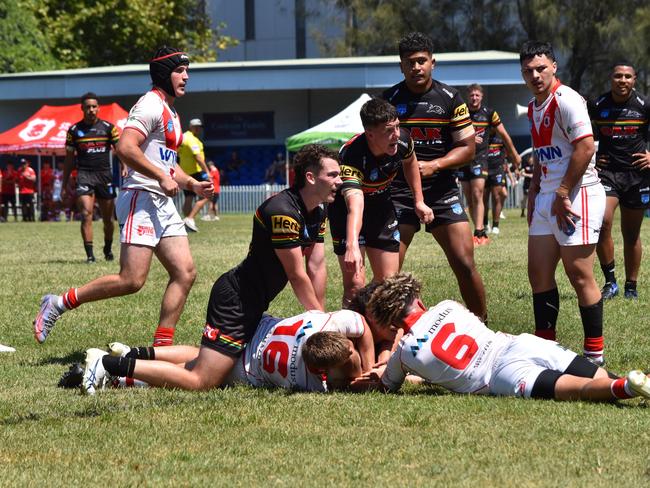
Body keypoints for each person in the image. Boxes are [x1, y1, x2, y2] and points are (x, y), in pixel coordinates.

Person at [72, 143, 341, 392]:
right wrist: (317, 321)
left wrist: (321, 316)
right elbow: (296, 274)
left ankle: (130, 354)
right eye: (333, 175)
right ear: (310, 177)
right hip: (236, 300)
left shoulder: (318, 210)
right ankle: (106, 365)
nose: (339, 182)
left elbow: (316, 265)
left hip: (251, 299)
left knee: (209, 357)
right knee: (203, 379)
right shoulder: (283, 210)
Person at [33, 46, 213, 347]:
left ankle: (161, 349)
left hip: (160, 201)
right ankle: (58, 303)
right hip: (140, 197)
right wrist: (161, 177)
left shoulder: (171, 112)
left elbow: (167, 165)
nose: (186, 76)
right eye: (180, 71)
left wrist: (191, 185)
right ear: (162, 74)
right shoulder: (150, 105)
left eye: (187, 71)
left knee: (185, 273)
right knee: (132, 280)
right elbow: (127, 148)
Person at [358, 273, 650, 403]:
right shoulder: (448, 305)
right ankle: (635, 383)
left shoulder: (405, 354)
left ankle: (626, 387)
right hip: (517, 342)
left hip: (500, 376)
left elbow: (387, 387)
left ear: (393, 320)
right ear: (416, 298)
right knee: (594, 373)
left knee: (579, 390)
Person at [382, 32, 487, 321]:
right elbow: (376, 145)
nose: (416, 67)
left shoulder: (451, 98)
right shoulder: (389, 101)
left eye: (421, 61)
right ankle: (388, 333)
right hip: (399, 193)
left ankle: (482, 325)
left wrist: (435, 165)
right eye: (410, 63)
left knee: (465, 263)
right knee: (389, 271)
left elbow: (467, 148)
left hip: (442, 191)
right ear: (401, 67)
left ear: (433, 62)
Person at [520, 41, 606, 365]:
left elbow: (585, 147)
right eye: (528, 71)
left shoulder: (567, 100)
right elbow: (544, 154)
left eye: (541, 68)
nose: (535, 75)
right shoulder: (533, 106)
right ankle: (547, 351)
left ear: (554, 66)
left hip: (576, 193)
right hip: (547, 196)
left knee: (579, 273)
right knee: (538, 274)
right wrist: (534, 192)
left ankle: (594, 356)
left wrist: (562, 192)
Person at [79, 308, 374, 394]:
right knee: (193, 375)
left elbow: (360, 326)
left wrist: (364, 357)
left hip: (253, 325)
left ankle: (132, 352)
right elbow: (349, 378)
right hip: (245, 367)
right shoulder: (306, 382)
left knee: (200, 353)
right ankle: (115, 371)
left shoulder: (330, 321)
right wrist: (368, 367)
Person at [329, 98, 433, 306]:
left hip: (380, 208)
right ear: (370, 134)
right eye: (388, 130)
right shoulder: (352, 155)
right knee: (355, 286)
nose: (396, 134)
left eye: (397, 126)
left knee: (390, 285)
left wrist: (419, 201)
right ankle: (356, 336)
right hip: (348, 213)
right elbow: (355, 203)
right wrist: (352, 245)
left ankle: (384, 333)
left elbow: (410, 163)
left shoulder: (402, 140)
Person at [589, 62, 650, 300]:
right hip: (608, 174)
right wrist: (592, 157)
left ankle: (631, 287)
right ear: (610, 78)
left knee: (631, 234)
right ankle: (610, 282)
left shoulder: (645, 105)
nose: (622, 80)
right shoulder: (597, 105)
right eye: (617, 76)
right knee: (602, 223)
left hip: (637, 176)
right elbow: (577, 132)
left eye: (627, 76)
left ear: (634, 80)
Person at [459, 84, 521, 245]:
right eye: (471, 95)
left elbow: (504, 134)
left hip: (480, 159)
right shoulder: (460, 112)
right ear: (468, 96)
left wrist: (514, 154)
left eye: (477, 95)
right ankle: (479, 228)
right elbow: (451, 134)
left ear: (482, 97)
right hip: (463, 158)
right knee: (469, 198)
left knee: (477, 193)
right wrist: (469, 137)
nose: (474, 98)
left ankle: (479, 232)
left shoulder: (489, 114)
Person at [63, 92, 121, 262]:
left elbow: (121, 151)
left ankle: (108, 248)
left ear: (98, 108)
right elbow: (68, 159)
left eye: (94, 106)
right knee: (86, 214)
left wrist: (125, 167)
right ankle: (90, 256)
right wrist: (64, 183)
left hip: (104, 176)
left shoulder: (109, 128)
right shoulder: (74, 131)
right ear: (82, 108)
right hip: (84, 175)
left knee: (108, 219)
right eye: (87, 107)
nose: (91, 110)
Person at [178, 118, 210, 232]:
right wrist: (207, 172)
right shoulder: (191, 139)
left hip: (185, 172)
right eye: (196, 126)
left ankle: (187, 224)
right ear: (190, 127)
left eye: (199, 127)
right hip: (195, 172)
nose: (198, 129)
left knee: (188, 197)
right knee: (208, 195)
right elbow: (198, 158)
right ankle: (190, 219)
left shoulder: (182, 137)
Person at [520, 152, 534, 217]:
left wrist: (531, 175)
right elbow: (522, 173)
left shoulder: (535, 166)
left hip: (533, 185)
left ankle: (532, 212)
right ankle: (522, 212)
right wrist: (529, 175)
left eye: (531, 159)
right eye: (529, 159)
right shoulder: (525, 166)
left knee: (532, 199)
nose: (530, 160)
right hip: (526, 185)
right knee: (525, 199)